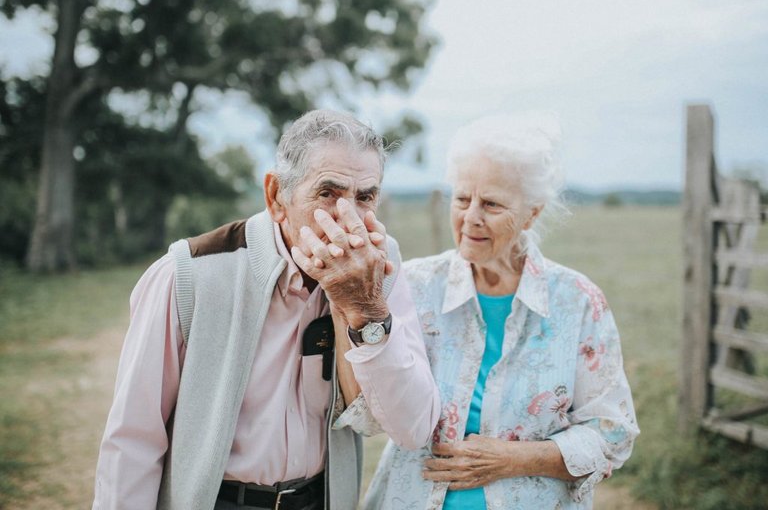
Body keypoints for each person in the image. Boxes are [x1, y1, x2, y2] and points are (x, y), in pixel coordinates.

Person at [92, 109, 440, 510]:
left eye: (365, 197)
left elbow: (412, 428)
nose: (351, 220)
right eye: (329, 193)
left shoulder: (380, 264)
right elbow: (133, 440)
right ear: (277, 196)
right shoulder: (187, 274)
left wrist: (365, 309)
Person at [362, 113, 639, 509]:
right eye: (461, 199)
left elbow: (613, 433)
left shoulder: (577, 301)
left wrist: (510, 459)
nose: (471, 217)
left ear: (532, 213)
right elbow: (369, 409)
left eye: (491, 204)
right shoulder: (414, 285)